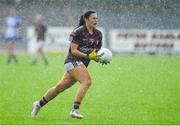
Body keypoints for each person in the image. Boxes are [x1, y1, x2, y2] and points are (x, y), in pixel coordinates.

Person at [31, 11, 102, 119]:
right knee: (87, 81)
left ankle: (38, 104)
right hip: (72, 61)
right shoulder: (78, 31)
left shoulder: (98, 34)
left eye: (96, 18)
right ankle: (75, 110)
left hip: (81, 64)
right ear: (86, 19)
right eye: (93, 18)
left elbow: (96, 51)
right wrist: (88, 56)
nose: (95, 21)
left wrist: (99, 57)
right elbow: (73, 51)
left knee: (59, 88)